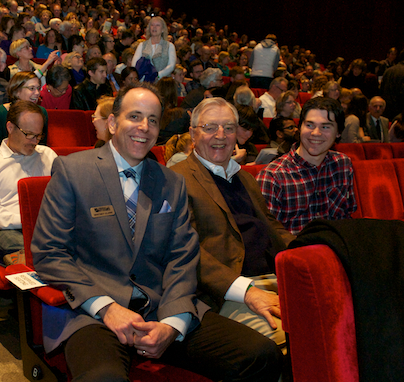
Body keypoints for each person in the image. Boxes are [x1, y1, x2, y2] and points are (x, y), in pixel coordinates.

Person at [32, 84, 283, 382]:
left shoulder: (170, 183)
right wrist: (107, 308)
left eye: (153, 120)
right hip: (93, 314)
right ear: (112, 123)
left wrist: (174, 323)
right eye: (135, 116)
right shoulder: (73, 171)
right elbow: (49, 252)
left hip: (162, 306)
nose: (144, 127)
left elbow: (182, 256)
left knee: (260, 354)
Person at [170, 98, 294, 348]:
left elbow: (274, 228)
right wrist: (246, 291)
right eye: (210, 127)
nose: (221, 135)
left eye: (228, 127)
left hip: (278, 278)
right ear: (193, 134)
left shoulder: (246, 178)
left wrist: (309, 252)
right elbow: (187, 253)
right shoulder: (176, 180)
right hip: (229, 292)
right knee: (291, 341)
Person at [0, 101, 56, 265]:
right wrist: (28, 220)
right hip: (7, 230)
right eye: (29, 134)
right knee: (26, 247)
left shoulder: (48, 155)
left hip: (47, 227)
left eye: (38, 135)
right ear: (10, 127)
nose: (34, 141)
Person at [256, 97, 357, 235]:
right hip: (293, 251)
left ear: (338, 132)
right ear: (300, 127)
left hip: (335, 248)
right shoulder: (273, 176)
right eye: (309, 125)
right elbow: (268, 236)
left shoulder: (343, 164)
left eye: (325, 127)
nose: (316, 133)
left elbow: (347, 216)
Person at [0, 71, 49, 148]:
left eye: (38, 88)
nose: (37, 93)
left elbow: (42, 146)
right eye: (32, 88)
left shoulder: (41, 112)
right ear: (16, 91)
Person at [131, 16, 176, 81]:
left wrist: (158, 75)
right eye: (152, 25)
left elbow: (171, 65)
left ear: (163, 29)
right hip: (143, 82)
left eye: (157, 25)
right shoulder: (142, 45)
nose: (154, 27)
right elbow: (134, 64)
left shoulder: (170, 46)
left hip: (162, 82)